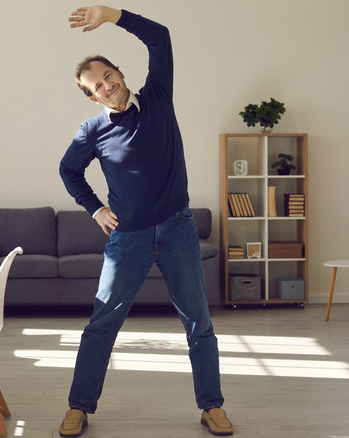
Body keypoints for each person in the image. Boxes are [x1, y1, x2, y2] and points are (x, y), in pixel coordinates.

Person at [58, 5, 233, 437]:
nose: (107, 85)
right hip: (128, 239)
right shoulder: (91, 131)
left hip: (178, 229)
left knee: (199, 322)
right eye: (97, 86)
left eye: (108, 75)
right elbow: (69, 170)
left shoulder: (157, 96)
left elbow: (160, 37)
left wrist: (113, 15)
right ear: (93, 97)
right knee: (102, 323)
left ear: (119, 71)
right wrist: (95, 208)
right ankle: (79, 405)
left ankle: (212, 406)